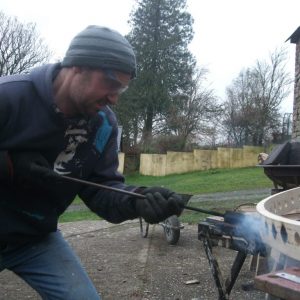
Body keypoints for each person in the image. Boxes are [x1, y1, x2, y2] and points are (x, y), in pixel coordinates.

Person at [0, 25, 184, 299]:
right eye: (111, 84)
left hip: (33, 239)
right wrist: (8, 165)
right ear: (77, 67)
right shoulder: (10, 97)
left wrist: (138, 201)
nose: (115, 98)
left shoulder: (104, 126)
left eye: (121, 88)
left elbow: (100, 188)